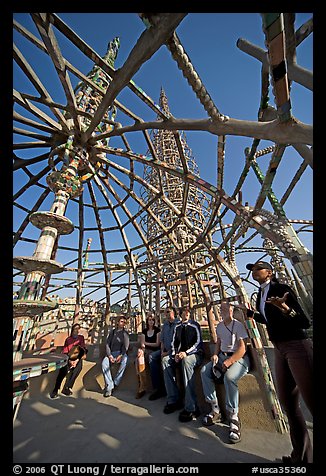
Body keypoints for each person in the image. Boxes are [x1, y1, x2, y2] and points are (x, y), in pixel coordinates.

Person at [246, 260, 313, 463]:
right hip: (279, 348)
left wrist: (286, 308)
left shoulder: (282, 289)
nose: (254, 272)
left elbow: (304, 321)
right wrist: (252, 314)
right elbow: (269, 320)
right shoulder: (260, 295)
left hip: (297, 346)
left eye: (258, 268)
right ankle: (301, 457)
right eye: (252, 269)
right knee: (288, 404)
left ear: (269, 272)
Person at [200, 300, 250, 443]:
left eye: (226, 309)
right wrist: (215, 355)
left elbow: (242, 348)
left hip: (238, 358)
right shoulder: (220, 326)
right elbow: (219, 343)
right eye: (221, 309)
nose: (223, 311)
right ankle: (215, 408)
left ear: (231, 310)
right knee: (204, 371)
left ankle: (233, 416)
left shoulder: (238, 326)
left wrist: (230, 361)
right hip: (222, 356)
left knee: (229, 377)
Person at [162, 306, 204, 422]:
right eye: (183, 312)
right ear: (180, 314)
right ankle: (173, 400)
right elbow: (174, 343)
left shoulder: (194, 325)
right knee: (165, 361)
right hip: (180, 355)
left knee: (186, 362)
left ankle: (192, 407)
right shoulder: (177, 327)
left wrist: (185, 353)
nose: (185, 314)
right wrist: (175, 354)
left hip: (194, 354)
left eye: (187, 312)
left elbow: (198, 343)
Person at [148, 306, 179, 401]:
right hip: (165, 350)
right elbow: (162, 341)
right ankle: (158, 388)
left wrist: (167, 353)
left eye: (168, 312)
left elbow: (178, 343)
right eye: (165, 313)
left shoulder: (178, 324)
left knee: (165, 361)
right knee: (151, 357)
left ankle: (173, 397)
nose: (167, 314)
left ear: (174, 313)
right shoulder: (165, 325)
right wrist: (162, 352)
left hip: (175, 351)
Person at [50, 323, 87, 398]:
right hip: (68, 357)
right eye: (75, 329)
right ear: (72, 330)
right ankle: (56, 389)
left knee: (78, 368)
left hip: (77, 357)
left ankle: (68, 387)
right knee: (63, 370)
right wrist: (70, 361)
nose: (77, 331)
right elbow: (65, 351)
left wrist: (76, 360)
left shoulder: (81, 338)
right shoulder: (68, 339)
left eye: (78, 329)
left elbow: (82, 350)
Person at [102, 316, 129, 397]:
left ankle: (116, 382)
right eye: (121, 321)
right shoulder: (112, 332)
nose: (123, 323)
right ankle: (110, 386)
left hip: (120, 353)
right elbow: (107, 344)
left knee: (125, 361)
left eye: (124, 322)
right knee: (104, 364)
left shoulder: (125, 333)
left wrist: (120, 355)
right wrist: (110, 355)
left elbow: (126, 346)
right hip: (111, 353)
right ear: (117, 322)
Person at [135, 312, 161, 399]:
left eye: (153, 320)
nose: (151, 322)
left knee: (149, 357)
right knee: (138, 359)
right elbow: (142, 345)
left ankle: (148, 387)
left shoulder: (157, 331)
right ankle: (142, 386)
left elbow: (157, 344)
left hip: (154, 352)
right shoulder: (144, 331)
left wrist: (145, 343)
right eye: (149, 320)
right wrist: (142, 349)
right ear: (147, 321)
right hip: (146, 351)